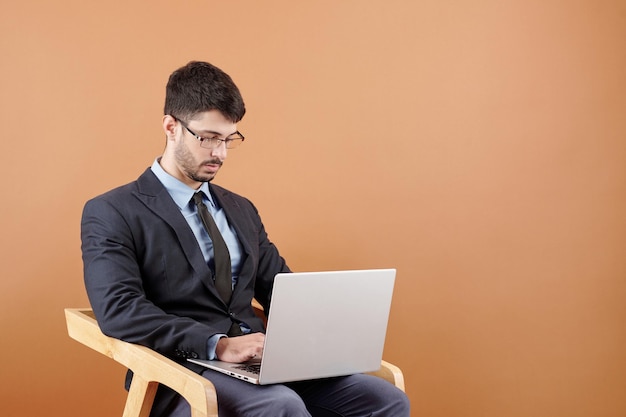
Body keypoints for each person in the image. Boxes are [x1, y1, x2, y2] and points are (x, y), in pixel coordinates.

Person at [81, 61, 410, 417]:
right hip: (181, 371)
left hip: (258, 364)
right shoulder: (113, 211)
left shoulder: (241, 209)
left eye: (229, 139)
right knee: (280, 406)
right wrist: (218, 345)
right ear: (171, 127)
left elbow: (280, 288)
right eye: (207, 138)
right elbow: (119, 310)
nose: (219, 154)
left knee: (385, 399)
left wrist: (323, 336)